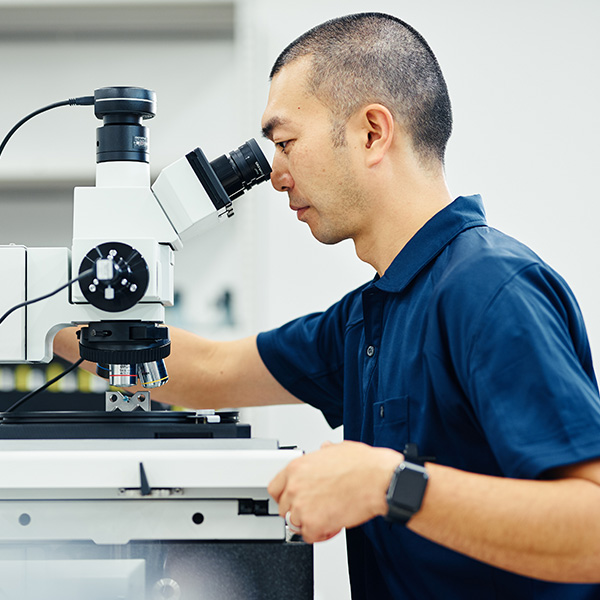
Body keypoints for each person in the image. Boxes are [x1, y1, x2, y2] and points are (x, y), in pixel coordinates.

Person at [54, 12, 600, 599]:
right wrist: (30, 313)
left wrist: (388, 485)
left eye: (285, 143)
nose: (275, 175)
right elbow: (210, 371)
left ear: (372, 133)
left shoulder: (490, 290)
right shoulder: (370, 315)